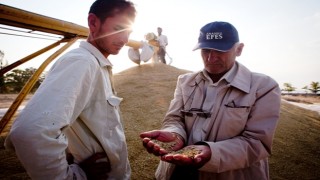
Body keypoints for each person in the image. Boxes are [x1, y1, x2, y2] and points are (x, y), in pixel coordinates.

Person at [4, 0, 136, 179]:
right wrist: (73, 176)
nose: (124, 39)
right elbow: (30, 133)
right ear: (93, 22)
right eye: (119, 28)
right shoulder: (83, 62)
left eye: (129, 32)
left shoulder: (97, 65)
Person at [140, 21, 281, 180]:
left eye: (221, 50)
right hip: (178, 172)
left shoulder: (263, 87)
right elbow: (174, 118)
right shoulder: (185, 81)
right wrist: (175, 135)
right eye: (205, 50)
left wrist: (211, 153)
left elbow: (257, 143)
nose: (211, 57)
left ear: (239, 49)